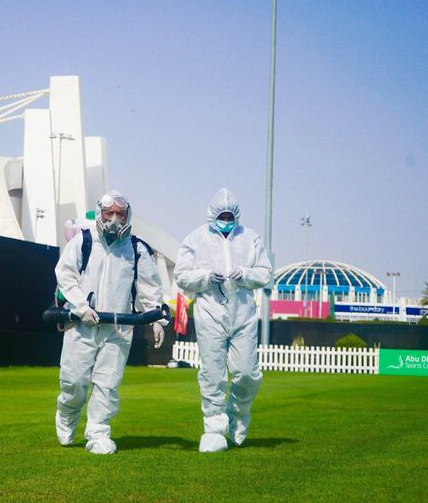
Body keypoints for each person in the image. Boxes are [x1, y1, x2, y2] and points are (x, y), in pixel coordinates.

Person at [54, 190, 167, 454]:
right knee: (74, 382)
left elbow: (149, 287)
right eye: (109, 213)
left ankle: (98, 432)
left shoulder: (137, 249)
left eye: (120, 213)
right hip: (82, 325)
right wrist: (81, 306)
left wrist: (156, 319)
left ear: (127, 215)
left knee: (107, 383)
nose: (115, 218)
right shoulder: (83, 241)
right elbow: (65, 275)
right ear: (101, 213)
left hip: (118, 328)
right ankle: (66, 413)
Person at [174, 188, 272, 452]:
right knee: (213, 373)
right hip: (210, 312)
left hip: (243, 314)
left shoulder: (250, 238)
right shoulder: (195, 239)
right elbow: (181, 276)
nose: (226, 221)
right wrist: (205, 276)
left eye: (229, 216)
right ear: (212, 215)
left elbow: (265, 274)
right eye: (222, 216)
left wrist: (245, 274)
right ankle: (214, 430)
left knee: (248, 373)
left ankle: (238, 413)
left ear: (236, 215)